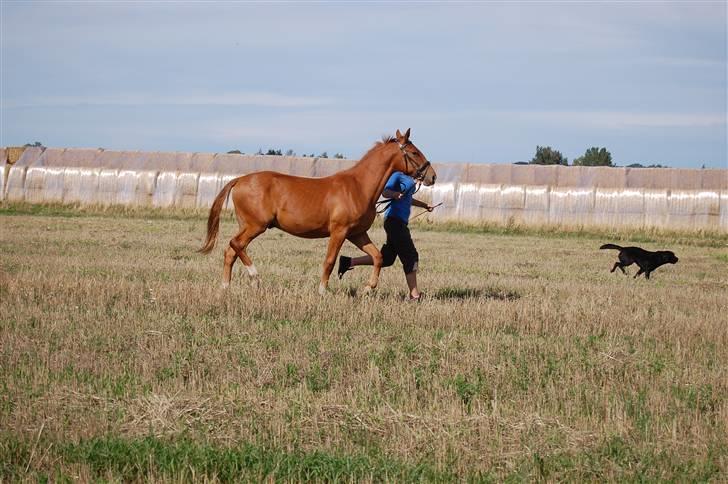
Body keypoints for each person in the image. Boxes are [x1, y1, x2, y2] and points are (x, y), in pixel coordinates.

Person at [337, 171, 434, 301]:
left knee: (387, 258)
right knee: (410, 256)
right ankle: (414, 295)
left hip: (398, 223)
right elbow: (385, 191)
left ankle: (348, 262)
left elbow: (408, 198)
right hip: (394, 222)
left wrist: (424, 205)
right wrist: (395, 194)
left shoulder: (408, 179)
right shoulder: (398, 175)